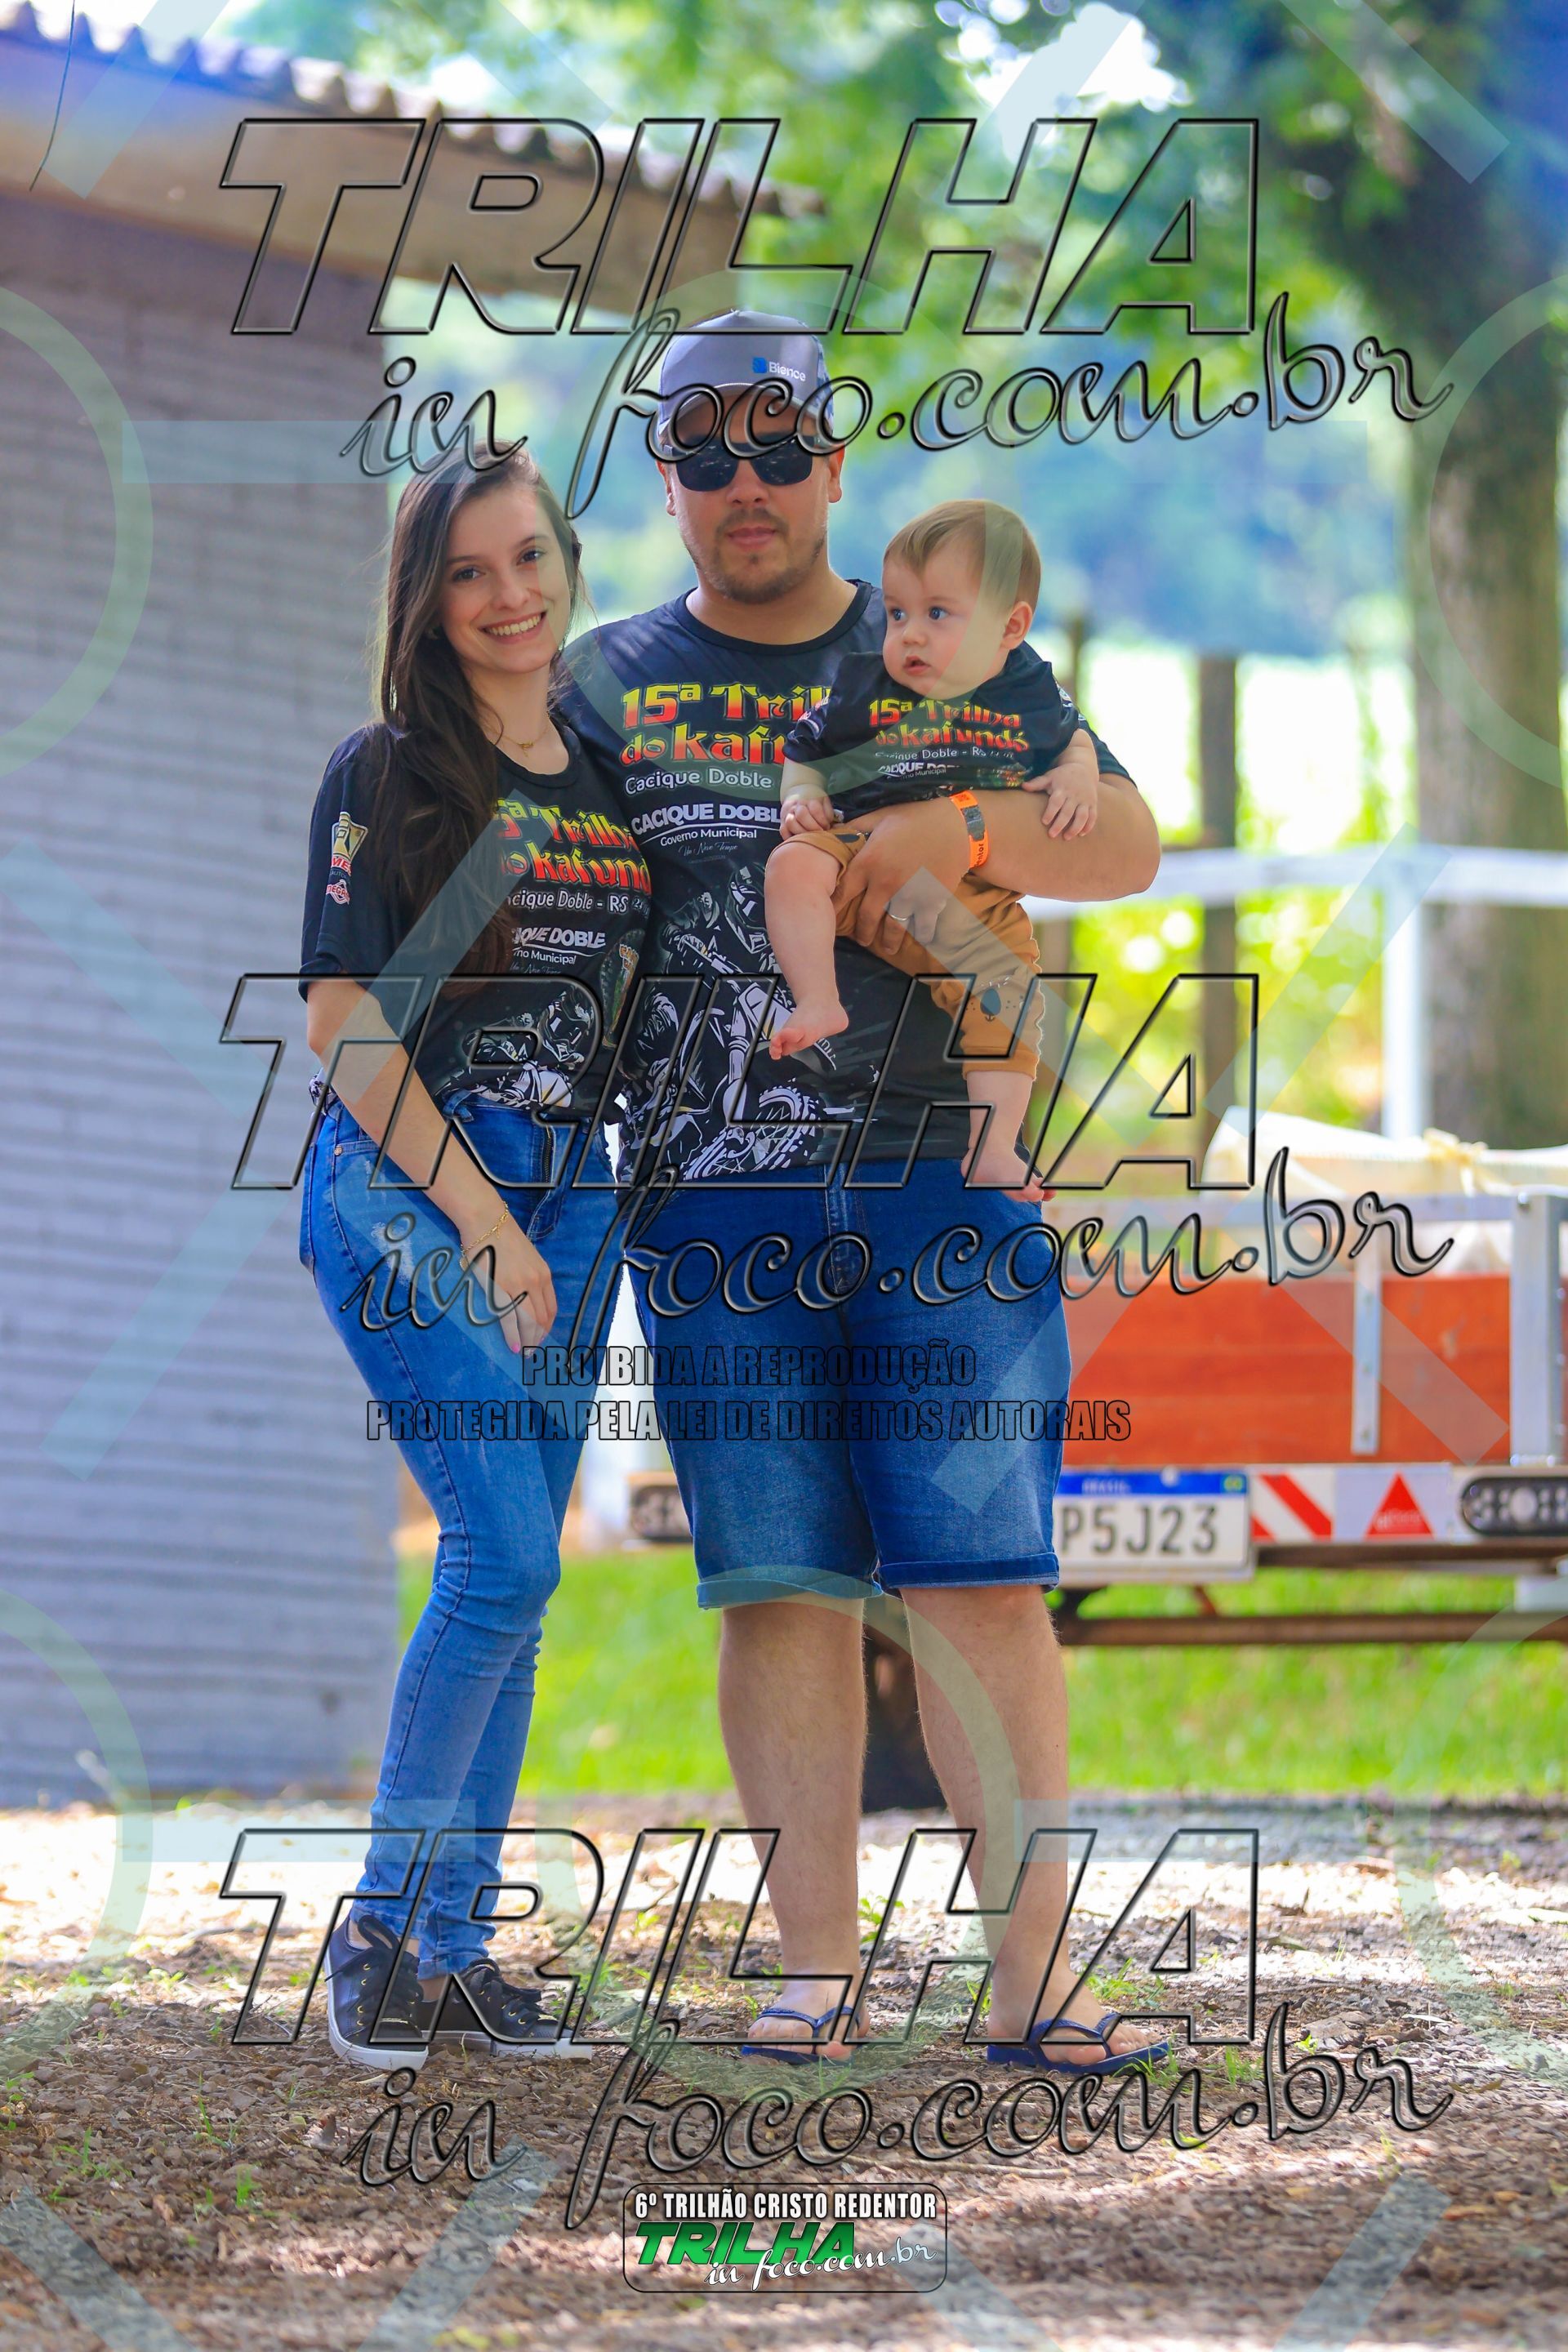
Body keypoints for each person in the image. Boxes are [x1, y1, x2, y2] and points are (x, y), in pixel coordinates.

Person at [560, 310, 1167, 2074]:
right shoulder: (600, 687)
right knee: (781, 1586)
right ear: (666, 476)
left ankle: (1034, 1985)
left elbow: (1127, 844)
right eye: (706, 451)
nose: (744, 482)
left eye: (779, 447)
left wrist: (956, 837)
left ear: (832, 461)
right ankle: (814, 1975)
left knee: (983, 1582)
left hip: (940, 1190)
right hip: (713, 1205)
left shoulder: (934, 633)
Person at [297, 445, 650, 2071]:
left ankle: (452, 1948)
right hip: (407, 1186)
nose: (510, 595)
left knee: (519, 1579)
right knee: (503, 1553)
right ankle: (376, 1930)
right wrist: (486, 1221)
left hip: (573, 1192)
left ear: (565, 562)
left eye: (530, 559)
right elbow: (344, 1025)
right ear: (427, 603)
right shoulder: (387, 775)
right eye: (469, 571)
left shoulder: (608, 778)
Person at [766, 495, 1098, 1196]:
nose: (909, 635)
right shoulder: (868, 688)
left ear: (1011, 627)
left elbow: (1072, 740)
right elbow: (805, 746)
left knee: (1009, 997)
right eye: (897, 614)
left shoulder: (1027, 694)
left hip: (970, 899)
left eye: (938, 614)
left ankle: (994, 1145)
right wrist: (802, 797)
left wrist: (1077, 775)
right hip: (863, 851)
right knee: (792, 864)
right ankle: (818, 999)